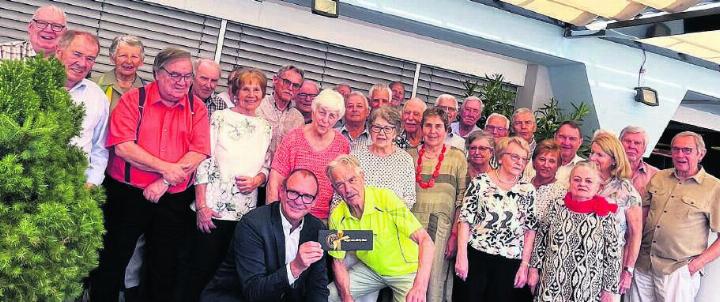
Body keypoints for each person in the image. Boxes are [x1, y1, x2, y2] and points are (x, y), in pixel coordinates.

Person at [90, 47, 210, 302]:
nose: (182, 82)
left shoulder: (196, 108)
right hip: (126, 193)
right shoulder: (134, 100)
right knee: (112, 258)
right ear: (157, 73)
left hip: (173, 198)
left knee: (163, 265)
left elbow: (199, 151)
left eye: (188, 76)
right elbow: (123, 147)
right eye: (175, 75)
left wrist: (164, 181)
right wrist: (166, 168)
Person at [178, 68, 272, 301]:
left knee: (227, 278)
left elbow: (267, 167)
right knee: (198, 271)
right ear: (235, 92)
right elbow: (203, 160)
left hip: (245, 216)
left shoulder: (266, 127)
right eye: (246, 89)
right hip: (212, 211)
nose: (251, 94)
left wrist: (257, 180)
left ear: (263, 94)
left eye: (256, 89)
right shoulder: (220, 118)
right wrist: (201, 207)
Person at [201, 169, 329, 302]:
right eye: (293, 193)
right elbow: (254, 293)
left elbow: (318, 287)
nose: (298, 201)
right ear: (282, 192)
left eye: (307, 196)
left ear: (314, 201)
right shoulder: (252, 224)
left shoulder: (318, 229)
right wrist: (295, 267)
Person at [326, 155, 435, 302]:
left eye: (352, 180)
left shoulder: (386, 197)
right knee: (329, 295)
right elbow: (337, 262)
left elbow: (426, 241)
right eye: (340, 184)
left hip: (405, 271)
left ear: (362, 177)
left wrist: (420, 286)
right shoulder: (336, 216)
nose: (348, 189)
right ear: (334, 188)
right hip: (371, 270)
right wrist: (346, 297)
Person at [628, 131, 720, 302]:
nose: (680, 155)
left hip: (678, 270)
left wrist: (695, 266)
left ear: (701, 153)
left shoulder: (714, 188)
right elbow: (640, 216)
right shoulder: (660, 177)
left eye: (687, 150)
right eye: (675, 150)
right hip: (643, 264)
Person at [454, 136, 536, 302]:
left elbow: (530, 230)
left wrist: (524, 266)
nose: (519, 162)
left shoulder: (528, 190)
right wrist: (461, 256)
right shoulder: (480, 183)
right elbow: (465, 221)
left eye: (524, 159)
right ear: (500, 157)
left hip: (509, 262)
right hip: (477, 256)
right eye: (515, 157)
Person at [528, 161, 621, 302]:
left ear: (598, 186)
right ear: (570, 182)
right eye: (577, 179)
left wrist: (608, 290)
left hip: (587, 289)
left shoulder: (606, 215)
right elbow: (541, 240)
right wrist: (534, 270)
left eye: (588, 181)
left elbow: (613, 255)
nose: (582, 184)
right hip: (551, 284)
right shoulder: (556, 206)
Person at [408, 108, 467, 302]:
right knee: (407, 281)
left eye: (438, 126)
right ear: (421, 128)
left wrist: (454, 235)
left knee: (433, 283)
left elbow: (462, 199)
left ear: (446, 129)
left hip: (441, 230)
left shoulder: (457, 157)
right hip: (410, 228)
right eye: (428, 125)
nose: (433, 131)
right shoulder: (409, 155)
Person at [267, 89, 350, 221]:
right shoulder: (293, 138)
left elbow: (343, 188)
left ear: (338, 119)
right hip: (289, 214)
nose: (325, 120)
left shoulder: (342, 145)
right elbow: (275, 181)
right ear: (313, 110)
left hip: (324, 219)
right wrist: (273, 219)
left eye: (332, 116)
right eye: (322, 113)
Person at [589, 131, 642, 299]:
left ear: (613, 159)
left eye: (600, 155)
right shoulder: (585, 181)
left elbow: (635, 235)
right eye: (591, 153)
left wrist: (628, 271)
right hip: (581, 257)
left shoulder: (626, 191)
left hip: (610, 264)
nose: (593, 158)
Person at [55, 30, 109, 189]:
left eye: (90, 58)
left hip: (75, 187)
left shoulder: (97, 97)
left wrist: (92, 182)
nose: (82, 63)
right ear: (59, 51)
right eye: (77, 54)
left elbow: (100, 148)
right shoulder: (32, 84)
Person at [338, 106, 416, 209]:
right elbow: (340, 194)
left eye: (387, 128)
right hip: (357, 220)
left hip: (391, 221)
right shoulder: (355, 156)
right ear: (370, 129)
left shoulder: (405, 160)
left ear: (395, 132)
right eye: (377, 127)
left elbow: (410, 198)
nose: (381, 133)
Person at [258, 65, 305, 154]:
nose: (290, 88)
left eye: (295, 85)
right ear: (275, 80)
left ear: (298, 90)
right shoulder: (258, 106)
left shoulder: (298, 119)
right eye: (286, 82)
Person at [93, 35, 147, 112]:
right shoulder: (94, 85)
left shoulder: (147, 92)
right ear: (112, 58)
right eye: (123, 56)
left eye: (134, 57)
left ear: (141, 61)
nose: (129, 61)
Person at [0, 5, 67, 59]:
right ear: (30, 27)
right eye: (42, 23)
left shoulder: (71, 63)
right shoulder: (2, 52)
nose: (48, 30)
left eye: (56, 26)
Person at [529, 139, 565, 226]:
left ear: (558, 165)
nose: (546, 165)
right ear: (533, 162)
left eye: (552, 161)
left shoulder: (561, 193)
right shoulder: (522, 184)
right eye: (542, 159)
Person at [619, 126, 659, 200]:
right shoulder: (606, 168)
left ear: (644, 148)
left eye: (637, 143)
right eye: (627, 141)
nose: (631, 146)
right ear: (618, 144)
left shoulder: (655, 175)